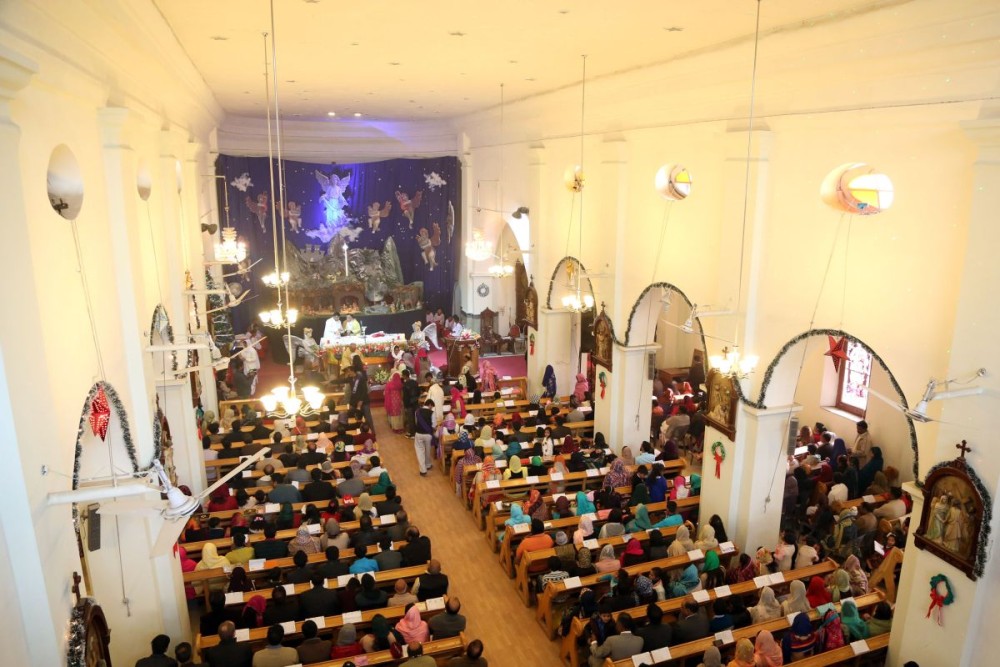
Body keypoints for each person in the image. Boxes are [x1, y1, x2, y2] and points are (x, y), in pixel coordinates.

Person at [351, 357, 375, 430]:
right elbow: (366, 379)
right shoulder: (363, 369)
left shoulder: (355, 372)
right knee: (368, 416)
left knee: (358, 416)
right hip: (365, 397)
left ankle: (361, 431)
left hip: (359, 398)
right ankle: (372, 432)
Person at [414, 399, 436, 476]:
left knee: (420, 452)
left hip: (418, 434)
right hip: (428, 435)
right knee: (428, 451)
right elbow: (433, 426)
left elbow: (416, 422)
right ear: (430, 404)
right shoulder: (432, 413)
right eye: (432, 407)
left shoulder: (417, 412)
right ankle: (428, 465)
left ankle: (423, 470)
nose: (431, 408)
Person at [384, 367, 404, 432]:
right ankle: (400, 427)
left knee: (394, 414)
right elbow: (402, 393)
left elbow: (386, 393)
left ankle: (395, 428)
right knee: (399, 414)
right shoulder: (400, 384)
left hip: (392, 401)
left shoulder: (389, 384)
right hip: (399, 400)